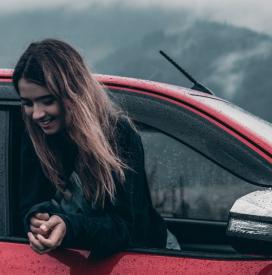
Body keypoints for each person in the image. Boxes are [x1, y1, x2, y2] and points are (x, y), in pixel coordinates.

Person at [13, 39, 179, 255]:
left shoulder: (117, 134)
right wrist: (36, 220)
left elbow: (121, 228)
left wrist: (68, 227)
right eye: (28, 104)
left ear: (73, 93)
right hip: (75, 265)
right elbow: (30, 204)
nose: (36, 114)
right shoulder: (35, 136)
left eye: (47, 101)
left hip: (144, 258)